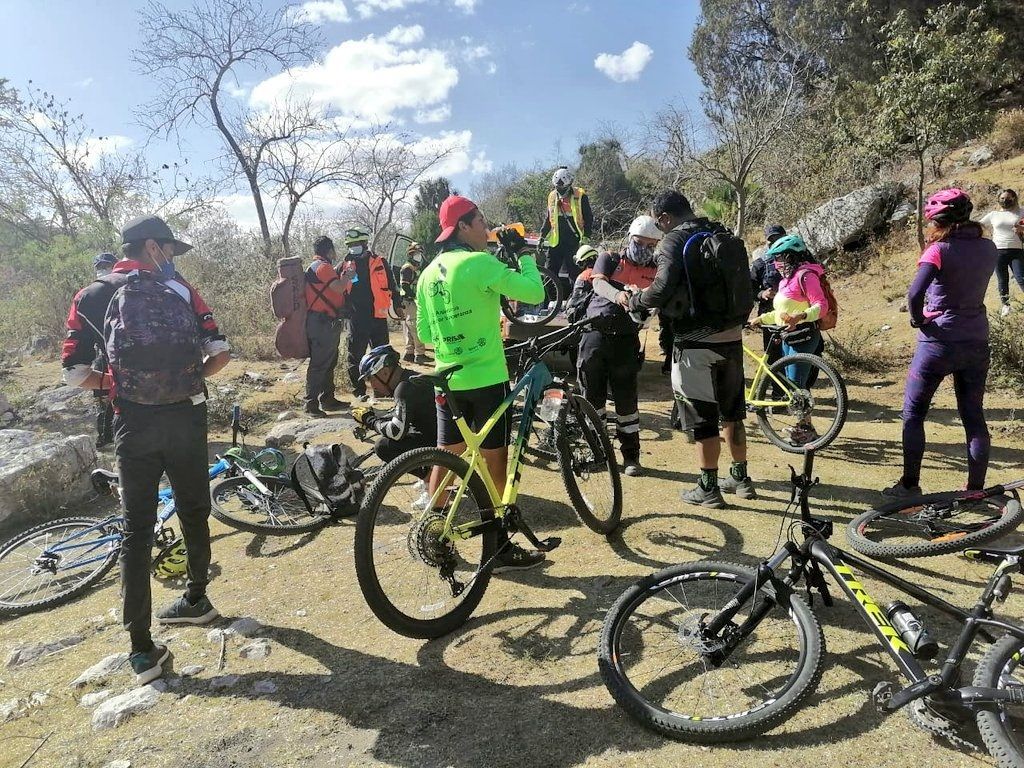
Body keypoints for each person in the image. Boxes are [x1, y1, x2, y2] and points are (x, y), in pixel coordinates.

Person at [61, 215, 231, 685]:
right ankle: (196, 599)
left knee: (137, 529)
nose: (172, 259)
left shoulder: (91, 296)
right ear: (153, 247)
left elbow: (73, 372)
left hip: (132, 423)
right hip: (186, 417)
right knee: (195, 509)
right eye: (170, 250)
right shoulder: (182, 292)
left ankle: (141, 649)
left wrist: (117, 384)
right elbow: (220, 353)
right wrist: (185, 383)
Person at [417, 195, 547, 571]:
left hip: (448, 380)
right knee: (495, 459)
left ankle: (432, 534)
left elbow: (425, 332)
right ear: (463, 226)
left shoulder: (427, 274)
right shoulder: (479, 263)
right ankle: (499, 546)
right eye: (481, 222)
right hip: (487, 378)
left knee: (447, 455)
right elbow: (535, 293)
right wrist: (523, 253)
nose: (486, 229)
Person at [623, 190, 754, 508]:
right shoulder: (719, 232)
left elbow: (663, 287)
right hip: (732, 339)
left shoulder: (673, 240)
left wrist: (636, 299)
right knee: (732, 413)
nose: (660, 228)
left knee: (702, 417)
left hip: (695, 344)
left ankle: (708, 486)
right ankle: (740, 477)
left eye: (659, 222)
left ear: (665, 217)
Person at [883, 188, 997, 497]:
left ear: (937, 221)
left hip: (938, 342)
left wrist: (919, 319)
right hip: (976, 339)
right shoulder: (989, 247)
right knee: (973, 416)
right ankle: (975, 490)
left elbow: (914, 295)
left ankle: (909, 485)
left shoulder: (938, 249)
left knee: (914, 413)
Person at [571, 215, 662, 477]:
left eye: (650, 245)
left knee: (626, 402)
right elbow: (598, 283)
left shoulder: (656, 269)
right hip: (594, 336)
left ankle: (631, 458)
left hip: (625, 341)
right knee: (593, 400)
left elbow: (659, 294)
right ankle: (598, 454)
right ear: (629, 239)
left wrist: (648, 309)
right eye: (639, 242)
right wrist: (619, 295)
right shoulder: (609, 258)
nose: (644, 249)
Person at [748, 234, 830, 446]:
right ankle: (804, 427)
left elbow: (821, 306)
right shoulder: (787, 280)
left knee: (796, 386)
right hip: (788, 336)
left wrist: (800, 317)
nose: (776, 264)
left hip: (803, 336)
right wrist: (760, 319)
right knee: (795, 384)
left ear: (792, 257)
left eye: (780, 258)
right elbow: (781, 312)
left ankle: (805, 430)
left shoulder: (806, 276)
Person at [341, 227, 404, 402]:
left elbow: (392, 285)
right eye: (350, 244)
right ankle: (359, 391)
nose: (353, 247)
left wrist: (398, 305)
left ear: (365, 243)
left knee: (383, 356)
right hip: (357, 318)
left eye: (356, 243)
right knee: (355, 356)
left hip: (378, 316)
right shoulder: (345, 265)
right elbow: (339, 291)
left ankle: (385, 389)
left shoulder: (380, 262)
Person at [350, 344, 436, 464]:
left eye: (370, 379)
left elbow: (396, 432)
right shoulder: (411, 377)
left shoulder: (403, 389)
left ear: (385, 372)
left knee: (383, 446)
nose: (372, 386)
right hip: (442, 434)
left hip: (437, 442)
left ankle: (428, 479)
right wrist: (377, 418)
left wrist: (369, 420)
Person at [304, 235, 356, 417]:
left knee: (329, 361)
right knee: (320, 363)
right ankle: (311, 404)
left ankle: (327, 399)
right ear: (329, 250)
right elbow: (339, 287)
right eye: (333, 250)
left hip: (322, 321)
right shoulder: (323, 267)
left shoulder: (318, 267)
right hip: (322, 323)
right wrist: (349, 275)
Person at [538, 166, 593, 286]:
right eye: (558, 188)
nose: (560, 190)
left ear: (569, 185)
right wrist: (542, 237)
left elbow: (589, 217)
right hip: (556, 243)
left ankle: (575, 302)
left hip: (574, 242)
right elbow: (549, 218)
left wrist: (586, 236)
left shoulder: (580, 195)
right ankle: (546, 302)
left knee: (574, 274)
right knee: (549, 273)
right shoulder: (552, 196)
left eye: (563, 188)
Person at [979, 189, 1024, 316]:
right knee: (1002, 279)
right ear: (998, 199)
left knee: (1021, 278)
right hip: (998, 251)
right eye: (1002, 198)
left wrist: (1021, 228)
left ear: (1014, 198)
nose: (1005, 200)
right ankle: (1006, 305)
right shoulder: (994, 215)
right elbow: (979, 225)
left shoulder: (1021, 212)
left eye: (1008, 198)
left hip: (1017, 250)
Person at [750, 225, 785, 365]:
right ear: (767, 242)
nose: (775, 242)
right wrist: (762, 293)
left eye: (778, 238)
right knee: (774, 357)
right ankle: (777, 386)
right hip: (771, 317)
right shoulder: (760, 264)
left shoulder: (799, 259)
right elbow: (749, 289)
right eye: (771, 239)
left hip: (797, 314)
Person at [399, 242, 430, 364]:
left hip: (407, 302)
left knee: (409, 328)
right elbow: (405, 286)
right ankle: (420, 354)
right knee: (415, 327)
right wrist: (415, 296)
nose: (419, 256)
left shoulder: (412, 268)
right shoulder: (408, 268)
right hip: (410, 301)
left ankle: (409, 353)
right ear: (411, 255)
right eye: (416, 254)